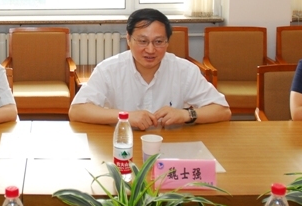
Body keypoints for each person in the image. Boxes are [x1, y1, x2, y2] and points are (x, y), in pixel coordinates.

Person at [69, 8, 231, 130]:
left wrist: (186, 114)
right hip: (123, 145)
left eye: (158, 42)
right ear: (128, 39)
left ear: (167, 42)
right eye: (143, 41)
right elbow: (77, 111)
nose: (151, 50)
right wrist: (126, 116)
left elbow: (223, 111)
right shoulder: (108, 70)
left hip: (170, 145)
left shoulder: (184, 70)